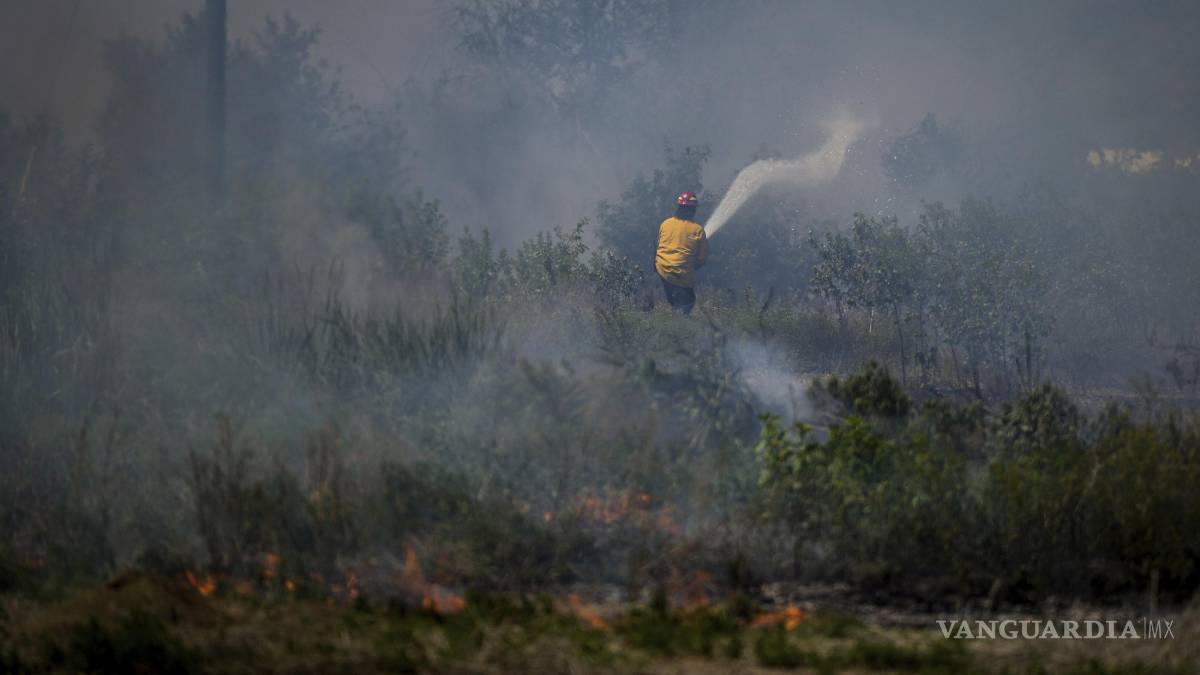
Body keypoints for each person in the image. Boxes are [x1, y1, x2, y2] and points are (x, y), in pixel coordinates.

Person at [655, 191, 709, 314]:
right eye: (693, 209)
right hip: (682, 273)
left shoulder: (665, 223)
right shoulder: (698, 230)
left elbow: (660, 245)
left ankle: (672, 317)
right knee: (688, 302)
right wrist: (692, 265)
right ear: (692, 210)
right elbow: (702, 259)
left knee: (674, 300)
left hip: (662, 268)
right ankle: (679, 325)